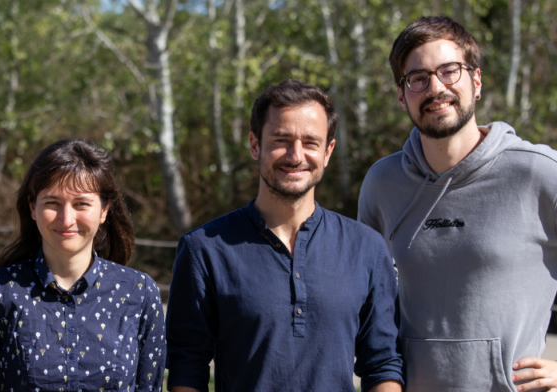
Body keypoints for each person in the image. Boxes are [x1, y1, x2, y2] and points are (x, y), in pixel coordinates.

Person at [358, 16, 557, 392]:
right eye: (417, 78)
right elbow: (369, 294)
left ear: (477, 81)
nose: (436, 87)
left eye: (449, 71)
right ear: (402, 95)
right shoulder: (383, 183)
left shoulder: (539, 174)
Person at [165, 80, 403, 392]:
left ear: (328, 151)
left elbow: (383, 364)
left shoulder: (367, 247)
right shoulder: (204, 249)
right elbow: (187, 368)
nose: (295, 155)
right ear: (254, 144)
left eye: (310, 142)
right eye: (281, 140)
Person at [0, 140, 166, 392]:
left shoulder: (139, 293)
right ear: (33, 207)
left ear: (104, 209)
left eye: (81, 203)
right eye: (52, 203)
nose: (66, 219)